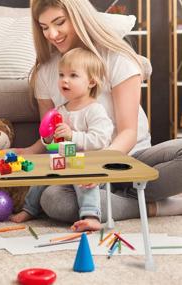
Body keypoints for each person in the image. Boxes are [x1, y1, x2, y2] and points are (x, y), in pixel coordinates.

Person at [13, 0, 182, 223]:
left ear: (79, 18)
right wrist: (30, 151)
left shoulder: (117, 59)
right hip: (79, 168)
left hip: (130, 159)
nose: (52, 34)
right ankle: (148, 205)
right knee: (54, 200)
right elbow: (50, 134)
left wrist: (101, 169)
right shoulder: (45, 72)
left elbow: (128, 133)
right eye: (44, 27)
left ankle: (120, 198)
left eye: (59, 23)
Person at [11, 47, 114, 231]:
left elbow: (101, 140)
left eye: (73, 75)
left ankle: (91, 215)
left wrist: (72, 135)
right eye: (61, 74)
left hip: (88, 165)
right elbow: (51, 144)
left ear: (91, 82)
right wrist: (49, 139)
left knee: (83, 181)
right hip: (64, 161)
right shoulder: (60, 110)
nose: (65, 80)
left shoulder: (94, 110)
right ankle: (30, 209)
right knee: (42, 173)